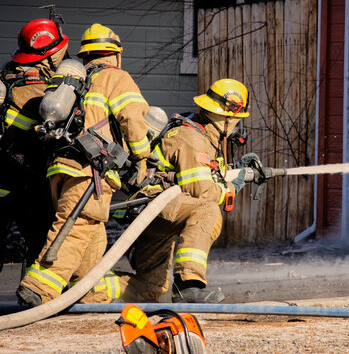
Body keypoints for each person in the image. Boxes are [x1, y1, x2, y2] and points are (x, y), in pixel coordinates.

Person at [16, 23, 150, 306]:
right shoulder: (116, 77)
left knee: (91, 233)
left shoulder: (72, 78)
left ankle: (87, 291)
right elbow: (133, 119)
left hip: (60, 167)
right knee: (75, 227)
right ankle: (38, 288)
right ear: (116, 54)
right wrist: (141, 157)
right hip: (89, 171)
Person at [115, 79, 255, 303]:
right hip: (156, 206)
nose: (238, 126)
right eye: (237, 120)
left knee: (150, 287)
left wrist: (238, 171)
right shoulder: (191, 139)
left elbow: (206, 174)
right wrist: (233, 185)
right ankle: (188, 285)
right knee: (207, 211)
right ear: (226, 117)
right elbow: (202, 191)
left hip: (159, 211)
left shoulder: (204, 135)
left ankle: (86, 290)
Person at [0, 18, 69, 272]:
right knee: (40, 244)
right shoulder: (45, 93)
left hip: (4, 178)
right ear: (50, 54)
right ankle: (35, 303)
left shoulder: (6, 74)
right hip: (30, 181)